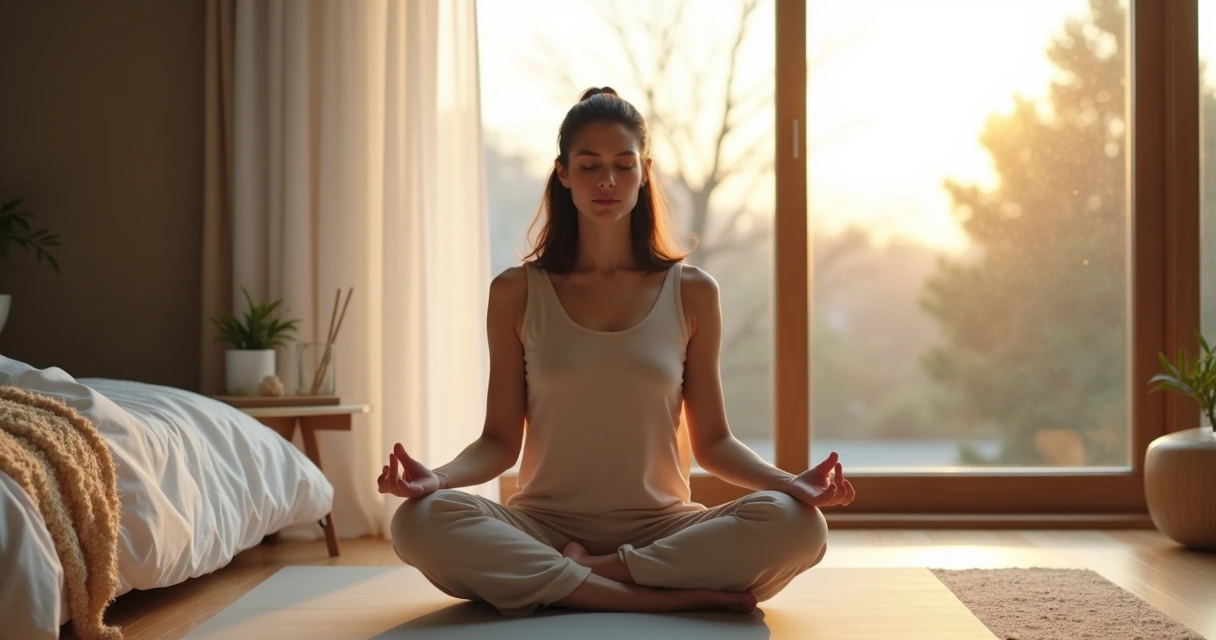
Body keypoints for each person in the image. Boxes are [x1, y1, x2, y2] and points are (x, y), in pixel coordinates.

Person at [378, 87, 856, 617]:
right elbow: (499, 442)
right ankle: (654, 597)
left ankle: (586, 577)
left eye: (623, 165)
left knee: (799, 524)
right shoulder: (516, 291)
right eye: (589, 166)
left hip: (663, 528)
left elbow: (715, 443)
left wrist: (791, 483)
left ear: (644, 172)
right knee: (418, 520)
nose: (606, 180)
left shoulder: (693, 292)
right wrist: (437, 479)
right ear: (563, 173)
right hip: (542, 526)